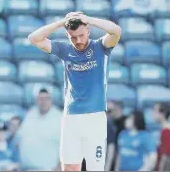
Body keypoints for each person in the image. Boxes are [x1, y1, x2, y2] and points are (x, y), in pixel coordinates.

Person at [28, 11, 122, 171]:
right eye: (73, 37)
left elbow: (116, 31)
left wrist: (89, 19)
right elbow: (34, 38)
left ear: (89, 31)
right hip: (71, 117)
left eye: (81, 35)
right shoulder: (65, 50)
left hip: (95, 117)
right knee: (70, 168)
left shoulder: (101, 47)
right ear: (67, 35)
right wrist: (61, 22)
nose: (78, 40)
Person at [16, 88, 62, 170]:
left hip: (49, 169)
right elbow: (19, 139)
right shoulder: (30, 114)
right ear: (36, 100)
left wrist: (59, 167)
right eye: (40, 99)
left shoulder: (59, 118)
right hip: (27, 168)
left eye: (46, 99)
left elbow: (67, 146)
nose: (43, 102)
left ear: (51, 100)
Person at [152, 102, 170, 171]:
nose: (152, 113)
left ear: (162, 114)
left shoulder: (166, 131)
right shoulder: (163, 130)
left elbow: (165, 157)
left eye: (154, 110)